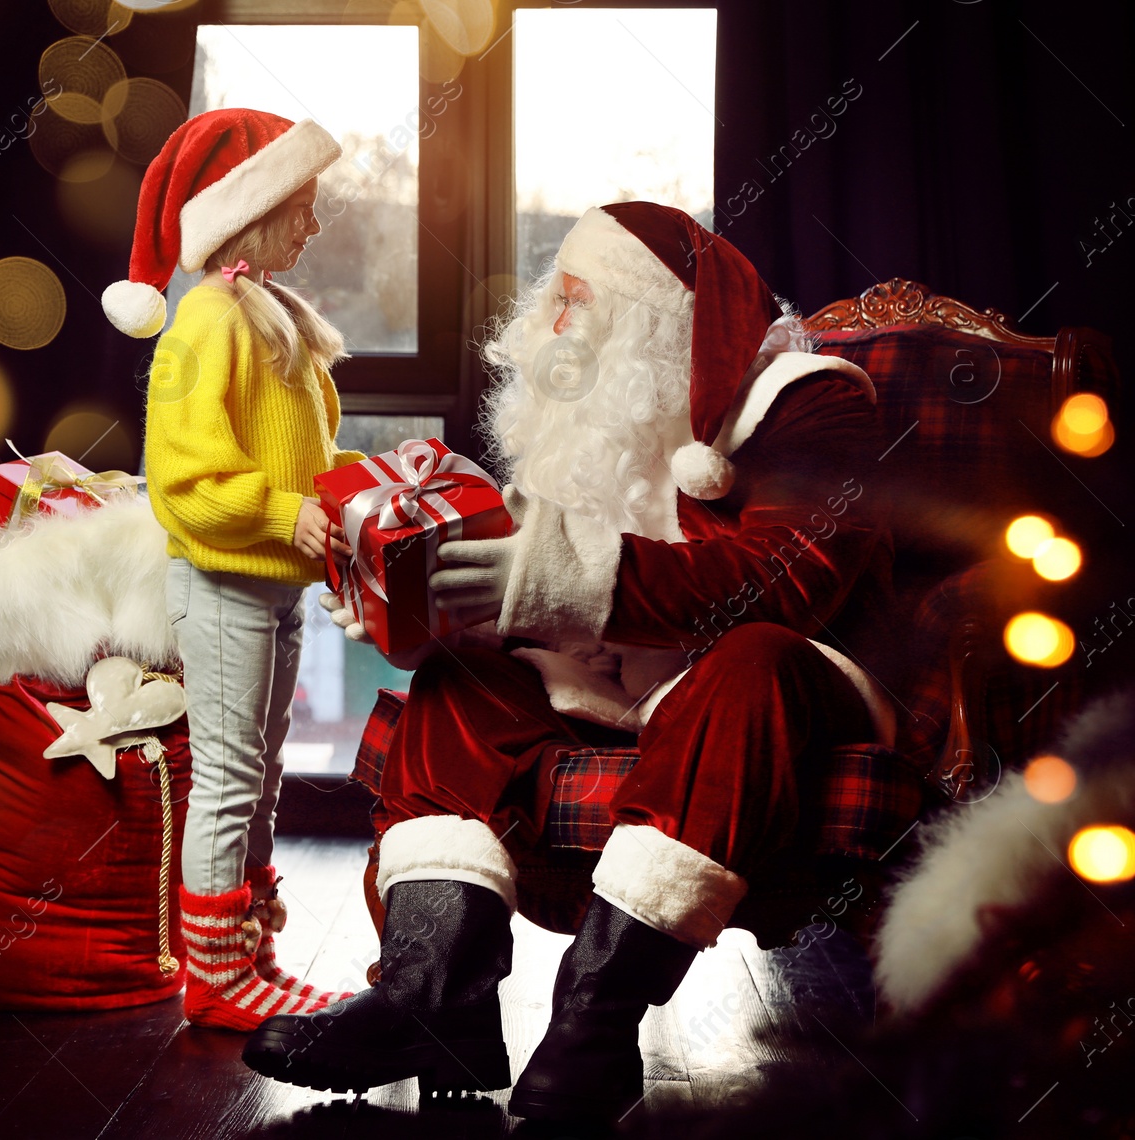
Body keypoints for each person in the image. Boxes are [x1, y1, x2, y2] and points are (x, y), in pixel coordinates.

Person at [241, 201, 899, 1121]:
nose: (550, 326)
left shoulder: (810, 398)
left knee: (754, 657)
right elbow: (531, 595)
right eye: (555, 297)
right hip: (612, 681)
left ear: (658, 321)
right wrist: (424, 606)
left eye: (578, 302)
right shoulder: (585, 426)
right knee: (459, 682)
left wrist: (557, 577)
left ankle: (597, 1017)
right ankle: (435, 1001)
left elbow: (789, 579)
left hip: (779, 682)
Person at [103, 108, 364, 1030]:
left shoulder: (264, 312)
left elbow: (299, 449)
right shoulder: (207, 320)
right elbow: (183, 481)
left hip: (268, 582)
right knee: (226, 775)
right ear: (248, 216)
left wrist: (338, 506)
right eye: (303, 205)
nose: (315, 225)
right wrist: (289, 514)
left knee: (260, 772)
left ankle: (248, 952)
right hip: (220, 583)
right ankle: (214, 981)